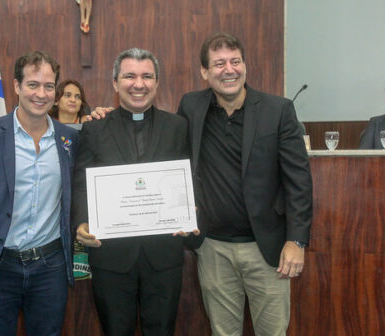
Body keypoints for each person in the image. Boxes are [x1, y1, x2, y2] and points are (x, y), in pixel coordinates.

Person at [177, 32, 313, 336]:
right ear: (205, 72)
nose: (229, 69)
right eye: (219, 63)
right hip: (212, 249)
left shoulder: (277, 110)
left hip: (267, 250)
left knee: (273, 332)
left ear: (245, 66)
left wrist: (297, 240)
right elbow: (171, 152)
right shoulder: (191, 107)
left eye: (235, 61)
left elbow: (299, 181)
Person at [0, 51, 78, 336]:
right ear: (16, 86)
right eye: (32, 84)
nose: (40, 93)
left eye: (48, 86)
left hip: (50, 267)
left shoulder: (70, 138)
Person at [73, 47, 198, 336]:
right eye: (129, 76)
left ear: (157, 83)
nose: (138, 84)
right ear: (115, 83)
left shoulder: (178, 127)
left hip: (163, 256)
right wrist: (81, 222)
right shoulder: (94, 129)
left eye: (147, 76)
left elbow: (190, 177)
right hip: (111, 258)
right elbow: (81, 181)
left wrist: (191, 209)